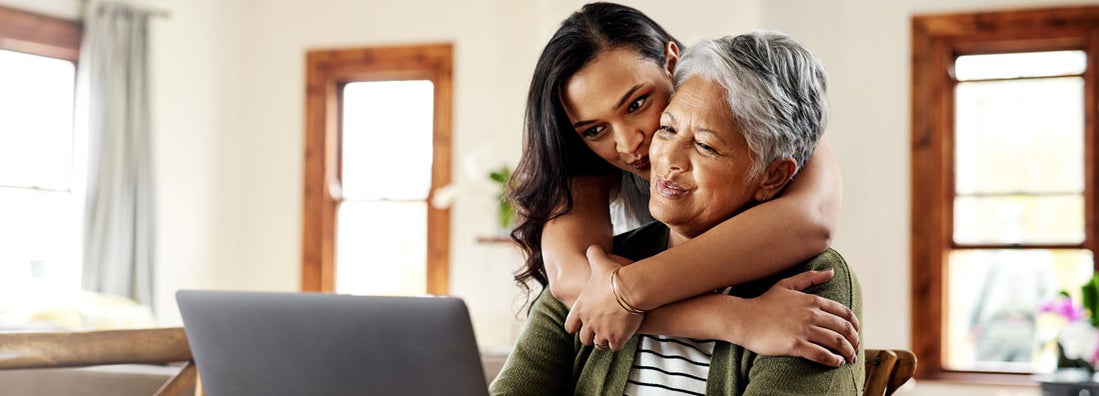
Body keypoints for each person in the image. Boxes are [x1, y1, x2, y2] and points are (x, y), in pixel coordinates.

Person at [492, 30, 864, 395]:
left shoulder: (813, 282)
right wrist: (735, 319)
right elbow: (575, 285)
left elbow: (810, 218)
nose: (650, 153)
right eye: (667, 129)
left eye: (705, 145)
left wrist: (624, 291)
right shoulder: (596, 246)